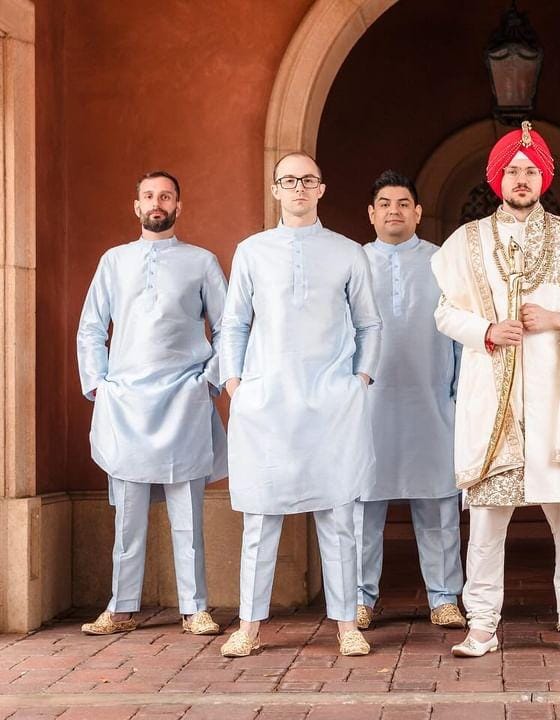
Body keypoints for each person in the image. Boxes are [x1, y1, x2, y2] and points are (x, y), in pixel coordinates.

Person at [431, 121, 560, 657]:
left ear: (543, 178)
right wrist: (485, 331)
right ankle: (481, 624)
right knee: (487, 521)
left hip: (555, 403)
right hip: (496, 404)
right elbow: (445, 312)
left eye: (531, 170)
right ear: (497, 178)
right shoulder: (467, 241)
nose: (522, 178)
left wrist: (559, 318)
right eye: (512, 170)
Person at [219, 152, 382, 658]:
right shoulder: (251, 251)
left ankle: (345, 623)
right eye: (288, 181)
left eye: (307, 180)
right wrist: (234, 383)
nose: (298, 189)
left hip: (332, 400)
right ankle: (248, 626)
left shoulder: (348, 252)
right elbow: (234, 322)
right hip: (265, 402)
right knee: (261, 516)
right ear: (275, 190)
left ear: (321, 188)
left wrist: (360, 378)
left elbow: (369, 324)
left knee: (338, 514)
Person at [76, 170, 226, 637]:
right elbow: (90, 327)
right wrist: (99, 385)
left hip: (184, 396)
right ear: (135, 206)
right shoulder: (114, 261)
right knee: (128, 513)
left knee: (188, 512)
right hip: (125, 401)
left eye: (165, 196)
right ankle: (120, 607)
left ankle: (195, 607)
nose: (156, 203)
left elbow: (229, 328)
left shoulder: (201, 261)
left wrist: (208, 381)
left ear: (179, 207)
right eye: (148, 196)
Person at [354, 170, 465, 631]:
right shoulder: (352, 262)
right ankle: (358, 597)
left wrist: (459, 394)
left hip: (431, 397)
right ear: (371, 213)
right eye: (385, 203)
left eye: (403, 203)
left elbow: (461, 331)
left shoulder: (444, 262)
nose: (394, 211)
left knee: (438, 501)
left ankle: (443, 597)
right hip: (367, 403)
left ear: (418, 212)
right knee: (361, 504)